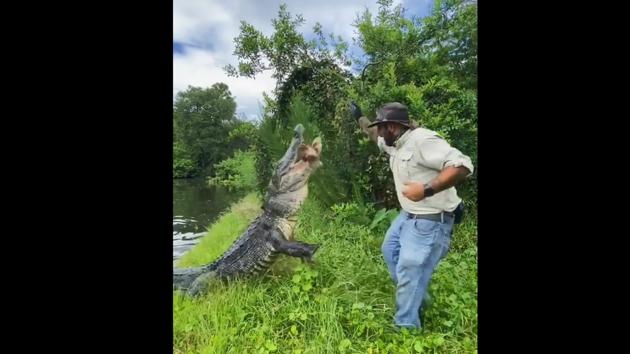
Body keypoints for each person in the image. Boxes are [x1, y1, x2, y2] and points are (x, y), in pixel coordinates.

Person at [350, 101, 474, 329]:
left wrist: (426, 190)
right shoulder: (395, 143)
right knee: (390, 251)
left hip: (432, 220)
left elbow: (462, 165)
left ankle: (405, 328)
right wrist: (359, 117)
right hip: (408, 216)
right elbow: (371, 133)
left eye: (381, 127)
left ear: (394, 126)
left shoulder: (423, 140)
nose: (377, 132)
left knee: (409, 268)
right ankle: (418, 299)